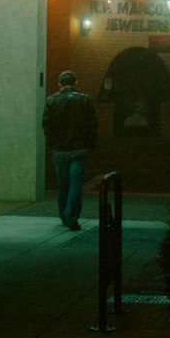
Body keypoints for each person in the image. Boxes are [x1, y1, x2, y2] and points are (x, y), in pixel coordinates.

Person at [42, 69, 98, 231]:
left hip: (60, 150)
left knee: (63, 183)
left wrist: (52, 144)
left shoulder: (52, 100)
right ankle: (71, 215)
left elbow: (47, 125)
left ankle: (63, 216)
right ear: (76, 82)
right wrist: (90, 144)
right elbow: (92, 125)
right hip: (80, 149)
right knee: (76, 184)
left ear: (59, 83)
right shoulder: (85, 100)